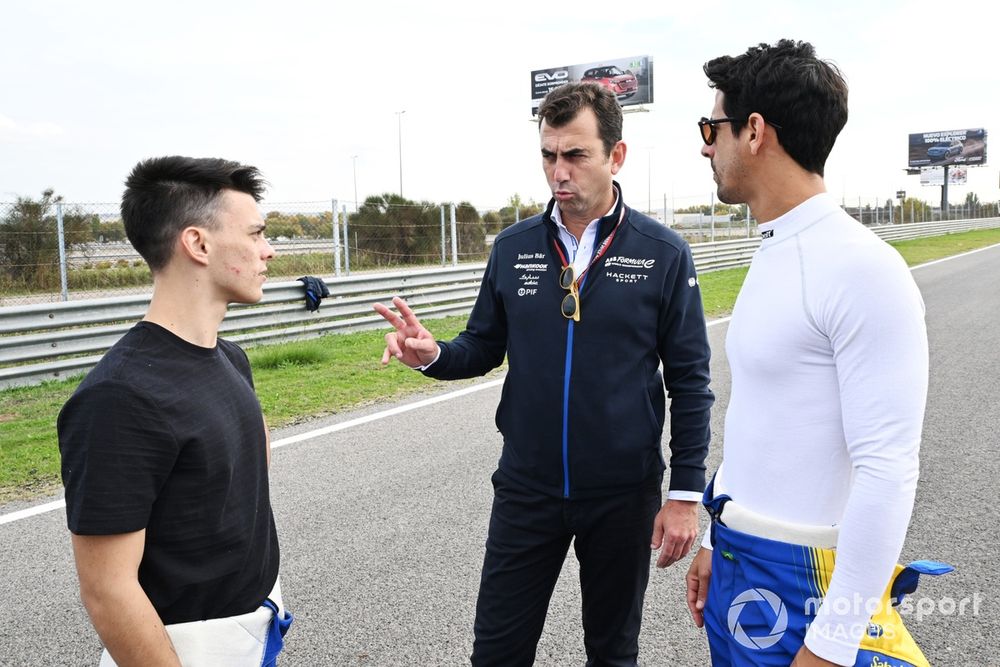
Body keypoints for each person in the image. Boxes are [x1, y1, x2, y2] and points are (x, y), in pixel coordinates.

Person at [374, 82, 714, 666]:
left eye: (576, 155)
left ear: (616, 156)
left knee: (612, 652)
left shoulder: (663, 252)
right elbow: (482, 346)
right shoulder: (513, 248)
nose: (560, 171)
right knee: (498, 651)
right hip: (527, 488)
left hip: (622, 493)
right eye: (549, 155)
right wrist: (431, 354)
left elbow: (690, 380)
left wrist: (684, 493)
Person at [686, 40, 948, 666]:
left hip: (807, 583)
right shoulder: (777, 250)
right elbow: (764, 417)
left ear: (753, 132)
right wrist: (713, 534)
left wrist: (832, 645)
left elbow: (887, 469)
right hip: (739, 557)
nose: (704, 145)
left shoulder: (863, 269)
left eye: (710, 127)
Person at [58, 156, 292, 666]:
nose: (268, 250)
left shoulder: (230, 358)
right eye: (256, 234)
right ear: (198, 244)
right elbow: (108, 592)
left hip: (255, 633)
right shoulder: (118, 399)